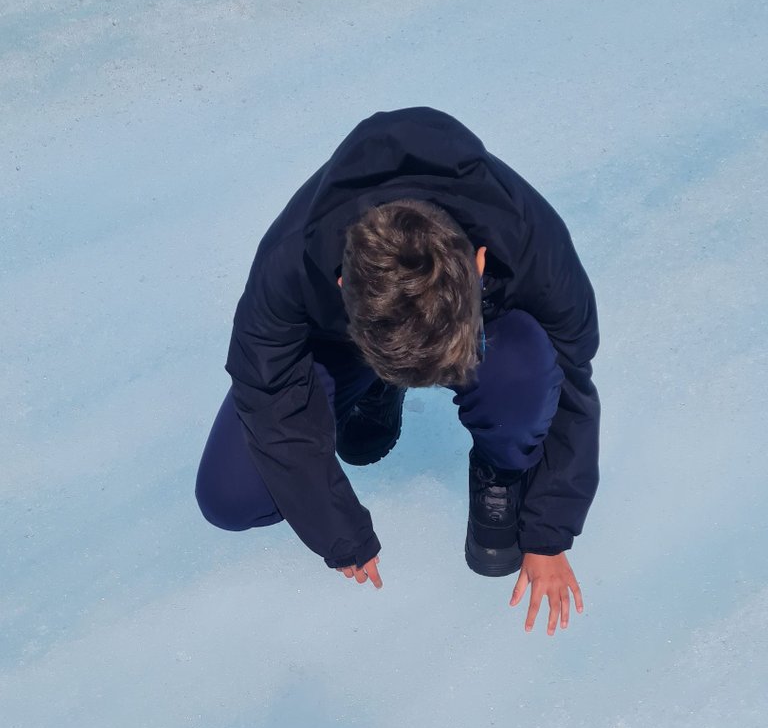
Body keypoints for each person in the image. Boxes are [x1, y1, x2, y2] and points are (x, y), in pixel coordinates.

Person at [196, 107, 600, 635]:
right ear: (343, 290)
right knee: (230, 496)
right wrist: (336, 529)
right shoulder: (289, 265)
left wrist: (549, 529)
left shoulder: (531, 244)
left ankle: (500, 468)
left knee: (526, 360)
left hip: (484, 327)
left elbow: (572, 381)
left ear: (480, 264)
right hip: (346, 336)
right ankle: (375, 384)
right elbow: (269, 398)